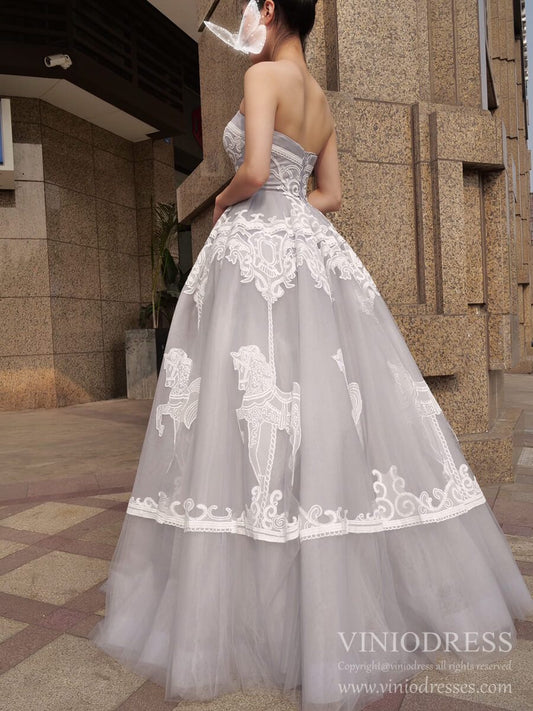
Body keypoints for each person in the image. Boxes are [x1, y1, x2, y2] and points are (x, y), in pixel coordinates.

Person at [88, 1, 533, 709]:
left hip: (253, 256)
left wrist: (224, 205)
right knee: (319, 406)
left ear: (272, 11)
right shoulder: (319, 100)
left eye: (253, 6)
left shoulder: (261, 79)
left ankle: (248, 598)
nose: (246, 17)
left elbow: (254, 169)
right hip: (311, 258)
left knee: (242, 412)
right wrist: (292, 218)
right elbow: (331, 195)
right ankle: (331, 594)